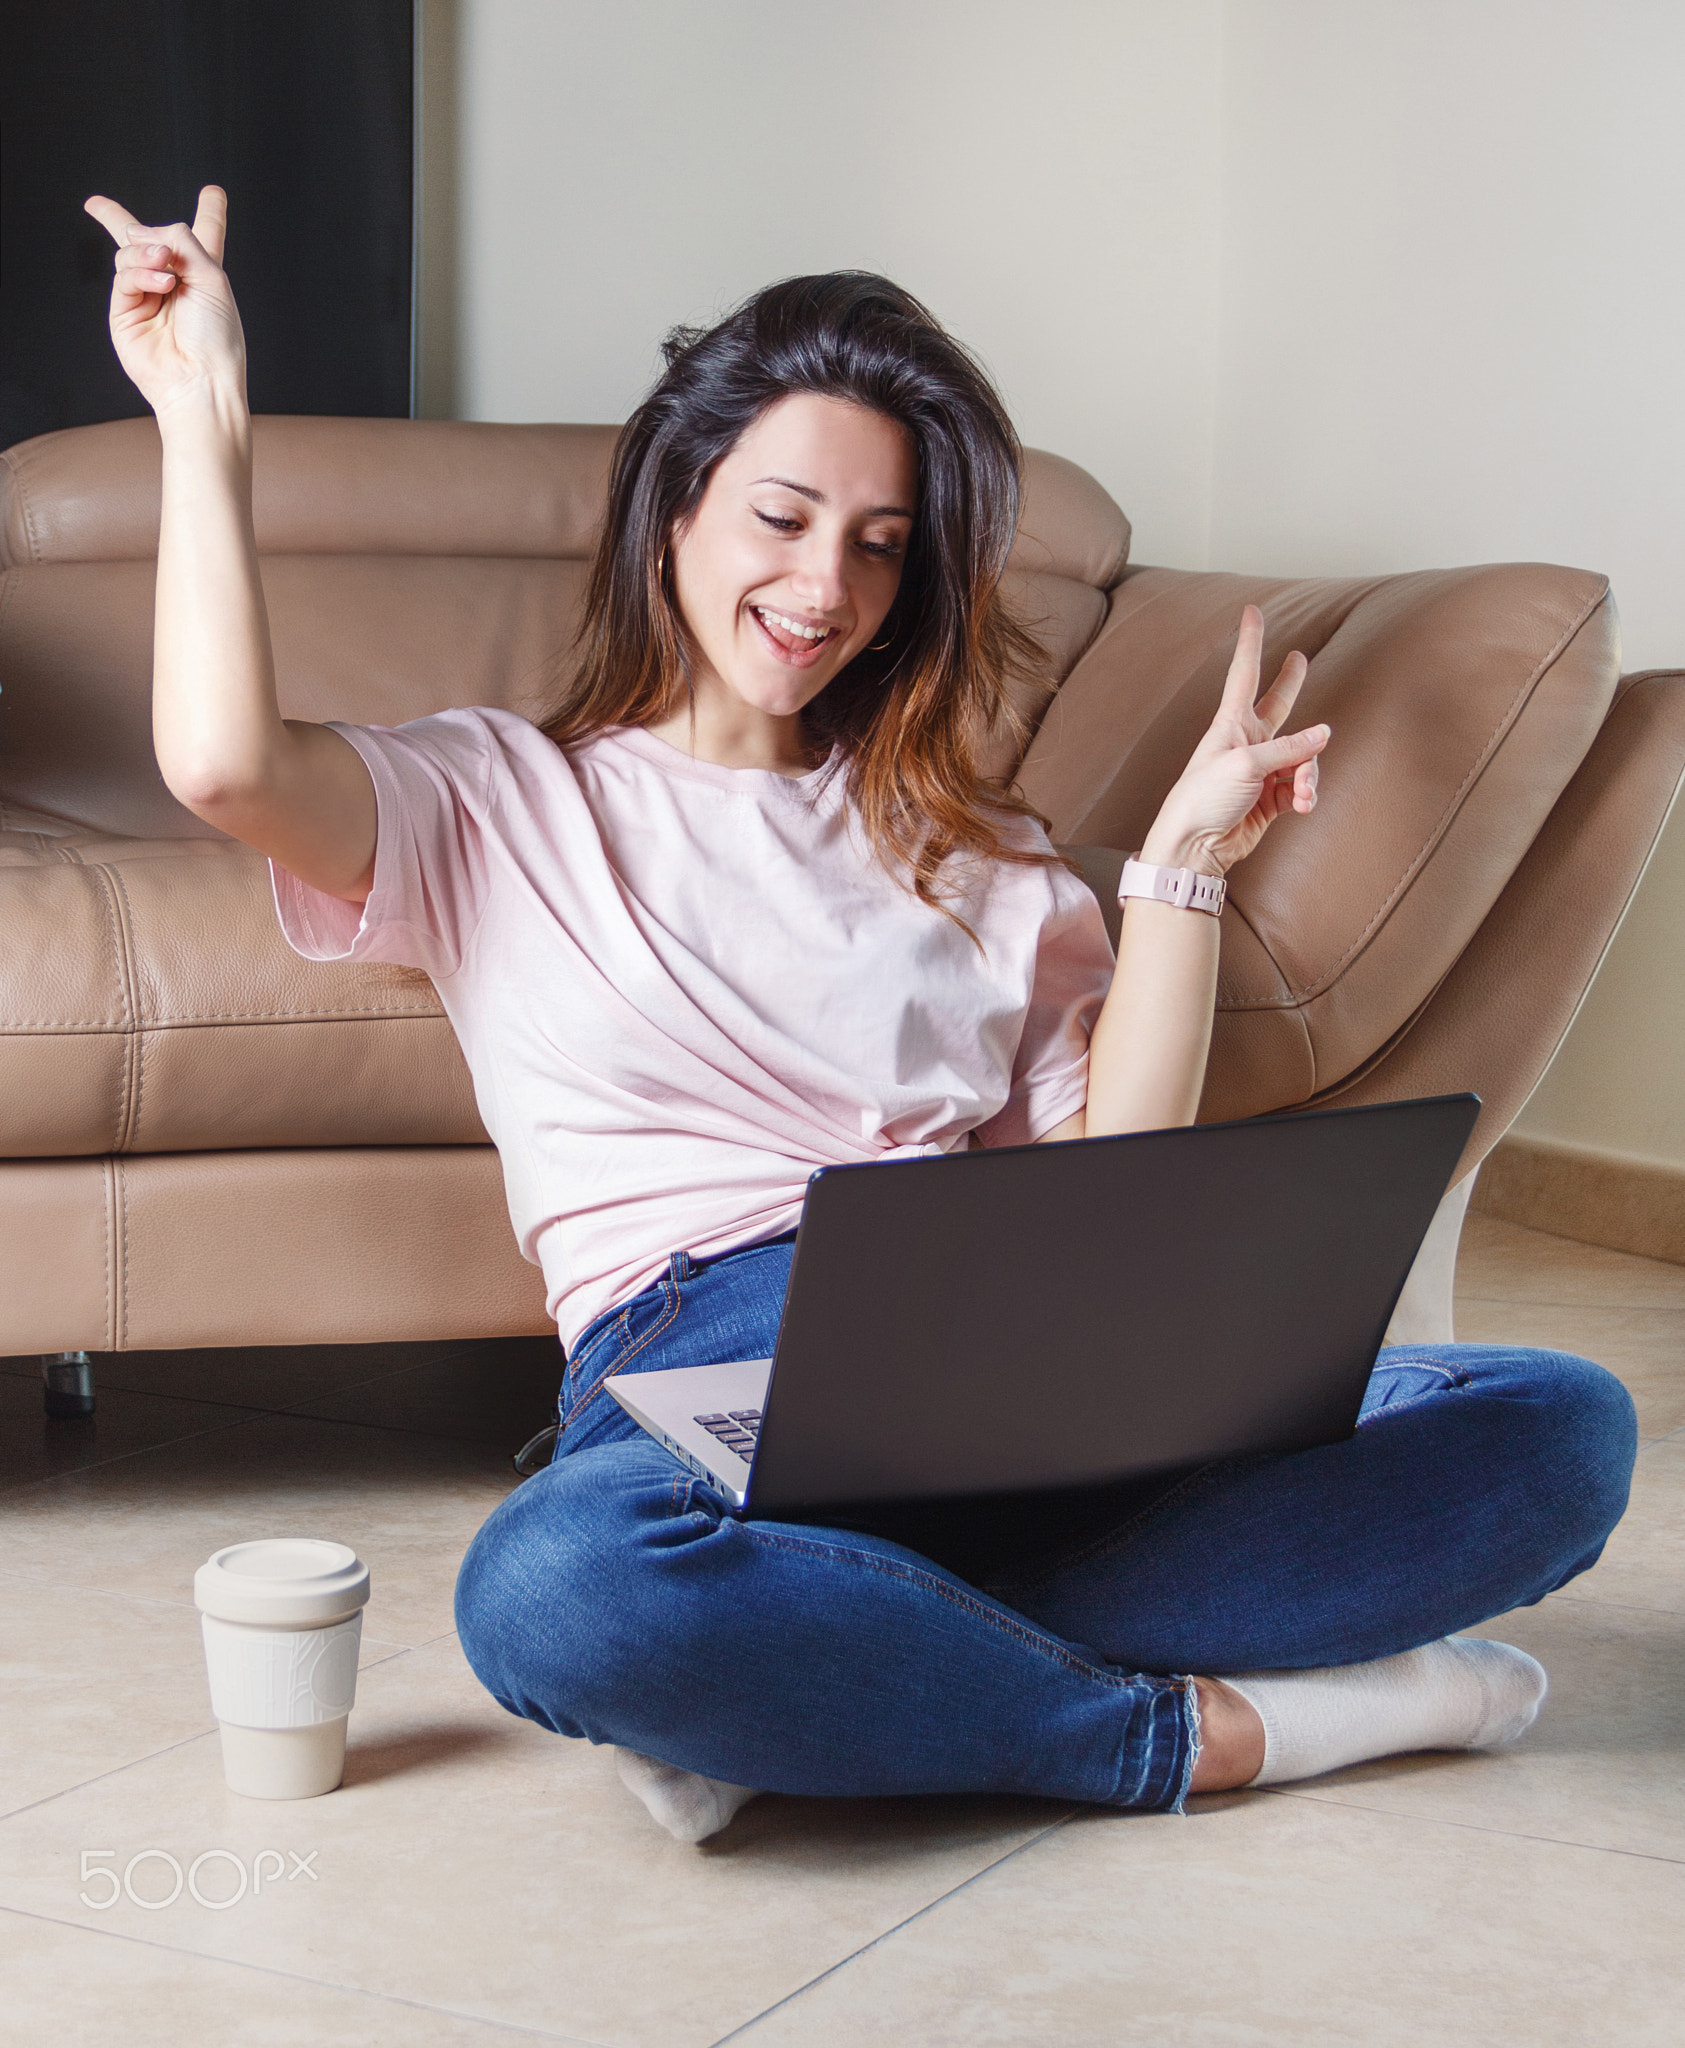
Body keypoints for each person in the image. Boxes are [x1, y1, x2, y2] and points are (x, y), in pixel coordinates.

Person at [89, 185, 1636, 1843]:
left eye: (880, 545)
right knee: (559, 1589)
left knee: (1556, 1426)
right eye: (779, 516)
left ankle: (829, 1674)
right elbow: (225, 766)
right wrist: (204, 418)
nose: (822, 583)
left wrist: (1181, 862)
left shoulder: (986, 865)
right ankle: (1191, 1731)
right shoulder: (492, 798)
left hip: (998, 1352)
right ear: (675, 509)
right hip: (696, 1366)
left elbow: (1118, 1178)